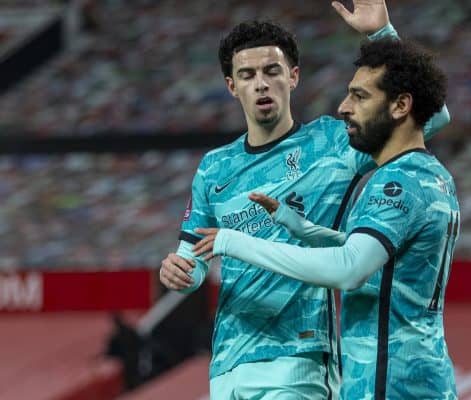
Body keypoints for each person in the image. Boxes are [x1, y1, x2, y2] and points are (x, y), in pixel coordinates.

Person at [159, 1, 450, 399]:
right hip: (227, 361)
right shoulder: (214, 167)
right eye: (247, 74)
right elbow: (191, 258)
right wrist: (180, 274)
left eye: (271, 71)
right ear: (232, 85)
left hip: (301, 358)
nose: (261, 83)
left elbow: (425, 119)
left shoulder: (333, 143)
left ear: (293, 77)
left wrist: (381, 35)